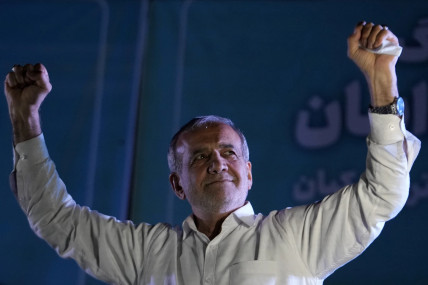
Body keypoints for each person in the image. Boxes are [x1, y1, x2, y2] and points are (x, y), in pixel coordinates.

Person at [4, 22, 420, 284]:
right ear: (177, 184)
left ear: (249, 173)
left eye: (228, 152)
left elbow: (383, 194)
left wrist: (382, 79)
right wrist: (26, 119)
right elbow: (56, 219)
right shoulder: (146, 253)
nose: (217, 161)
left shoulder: (296, 238)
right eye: (200, 157)